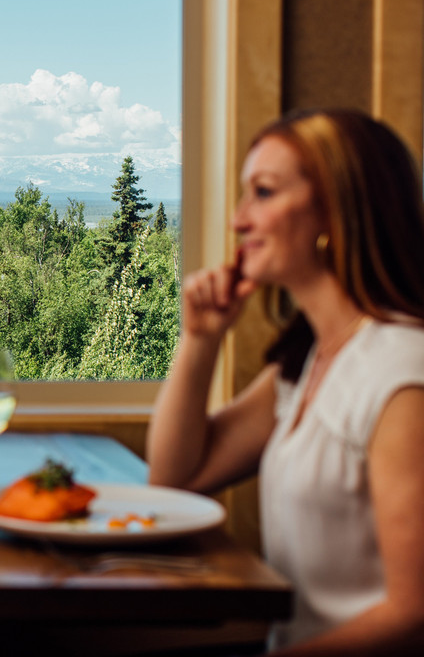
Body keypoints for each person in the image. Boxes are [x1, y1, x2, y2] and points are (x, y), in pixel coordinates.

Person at [148, 108, 424, 654]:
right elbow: (175, 476)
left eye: (264, 192)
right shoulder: (308, 365)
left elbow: (413, 615)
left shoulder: (401, 377)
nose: (239, 219)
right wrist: (200, 340)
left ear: (335, 211)